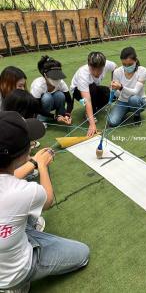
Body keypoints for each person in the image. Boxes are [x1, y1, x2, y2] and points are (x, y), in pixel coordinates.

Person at [0, 111, 89, 292]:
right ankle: (16, 285)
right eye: (30, 143)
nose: (32, 145)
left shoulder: (12, 187)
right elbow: (47, 200)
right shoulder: (23, 191)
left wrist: (33, 162)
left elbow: (8, 177)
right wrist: (42, 166)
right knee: (83, 254)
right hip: (14, 271)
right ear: (20, 154)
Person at [71, 52, 117, 136]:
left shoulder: (107, 64)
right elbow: (86, 100)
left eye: (99, 70)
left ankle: (93, 108)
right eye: (93, 69)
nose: (96, 73)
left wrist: (113, 82)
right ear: (89, 66)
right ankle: (89, 113)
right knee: (91, 88)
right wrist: (92, 124)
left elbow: (115, 67)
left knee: (112, 94)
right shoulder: (83, 75)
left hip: (94, 89)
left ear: (104, 66)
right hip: (78, 94)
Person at [108, 47, 146, 127]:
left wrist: (121, 87)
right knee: (112, 122)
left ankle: (137, 114)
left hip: (139, 101)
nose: (127, 66)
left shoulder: (143, 71)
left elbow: (135, 91)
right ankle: (125, 110)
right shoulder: (117, 72)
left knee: (133, 99)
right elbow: (118, 94)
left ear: (135, 60)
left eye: (130, 64)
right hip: (122, 101)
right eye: (124, 64)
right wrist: (113, 90)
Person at [31, 56, 73, 125]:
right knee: (47, 97)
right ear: (45, 75)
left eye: (58, 75)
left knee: (60, 95)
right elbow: (36, 108)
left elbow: (69, 101)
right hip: (41, 107)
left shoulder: (61, 82)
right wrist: (54, 116)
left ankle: (61, 115)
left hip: (53, 103)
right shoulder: (38, 85)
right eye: (54, 76)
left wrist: (67, 115)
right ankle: (42, 120)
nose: (57, 79)